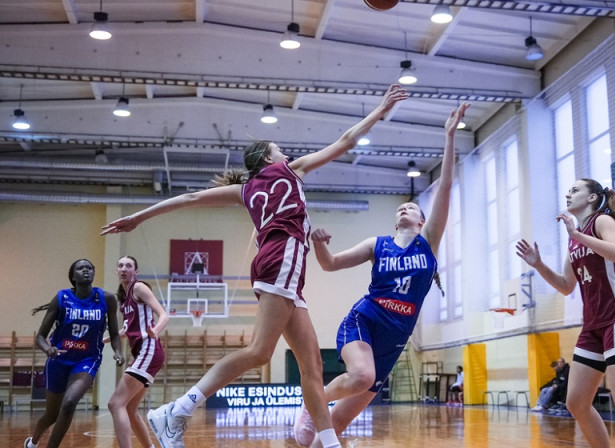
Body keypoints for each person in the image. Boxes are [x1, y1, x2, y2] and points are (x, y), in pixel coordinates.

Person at [100, 84, 408, 448]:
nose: (286, 152)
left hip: (280, 267)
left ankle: (329, 443)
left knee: (312, 368)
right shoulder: (290, 171)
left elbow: (190, 197)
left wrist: (139, 217)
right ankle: (179, 408)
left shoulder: (244, 189)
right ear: (267, 158)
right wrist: (380, 109)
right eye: (279, 149)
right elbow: (346, 140)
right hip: (282, 259)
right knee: (260, 351)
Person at [294, 103, 469, 448]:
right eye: (400, 207)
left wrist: (449, 137)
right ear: (395, 221)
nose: (404, 208)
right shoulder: (378, 244)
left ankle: (317, 426)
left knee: (337, 424)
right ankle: (310, 402)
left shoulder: (428, 243)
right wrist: (320, 245)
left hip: (395, 340)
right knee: (361, 375)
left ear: (422, 221)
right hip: (364, 321)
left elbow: (446, 187)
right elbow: (330, 265)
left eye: (412, 207)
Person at [516, 179, 615, 448]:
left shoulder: (602, 221)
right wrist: (538, 265)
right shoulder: (575, 240)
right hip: (593, 325)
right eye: (568, 190)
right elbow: (565, 286)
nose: (568, 194)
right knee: (576, 402)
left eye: (575, 190)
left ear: (593, 198)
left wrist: (578, 236)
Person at [24, 259, 124, 448]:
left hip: (87, 359)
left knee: (69, 403)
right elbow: (40, 337)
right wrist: (48, 349)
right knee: (51, 415)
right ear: (73, 276)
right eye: (81, 268)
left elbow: (114, 333)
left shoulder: (107, 298)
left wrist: (117, 351)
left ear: (94, 273)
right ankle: (33, 441)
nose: (86, 270)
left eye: (89, 268)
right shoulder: (62, 298)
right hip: (59, 359)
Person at [107, 256, 169, 448]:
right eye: (120, 265)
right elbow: (126, 330)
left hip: (149, 348)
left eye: (128, 265)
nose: (124, 268)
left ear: (136, 271)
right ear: (116, 270)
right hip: (144, 352)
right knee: (130, 409)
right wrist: (101, 340)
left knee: (115, 404)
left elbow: (164, 314)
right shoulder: (124, 300)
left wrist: (156, 330)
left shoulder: (139, 288)